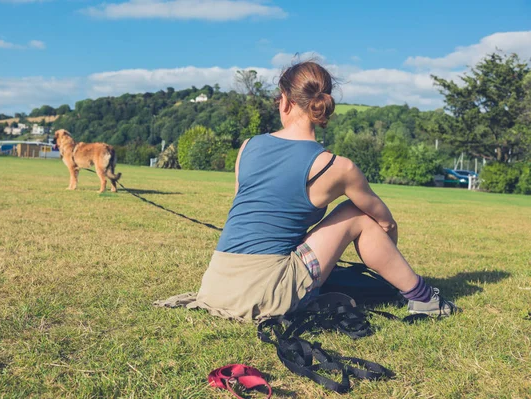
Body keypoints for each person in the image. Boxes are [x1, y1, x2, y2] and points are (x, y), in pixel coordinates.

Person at [195, 61, 457, 321]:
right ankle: (423, 298)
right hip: (266, 295)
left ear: (284, 101)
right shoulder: (336, 167)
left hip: (216, 286)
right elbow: (386, 224)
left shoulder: (247, 146)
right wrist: (386, 263)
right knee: (357, 213)